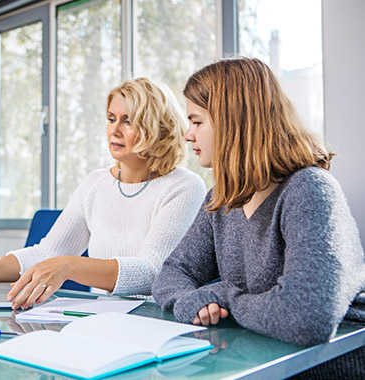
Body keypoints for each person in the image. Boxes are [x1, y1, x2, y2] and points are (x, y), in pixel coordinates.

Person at [152, 57, 365, 377]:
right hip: (257, 358)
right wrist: (189, 301)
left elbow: (306, 319)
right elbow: (172, 273)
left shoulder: (310, 190)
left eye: (196, 122)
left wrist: (225, 297)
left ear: (232, 121)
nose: (187, 135)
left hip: (325, 366)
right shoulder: (222, 200)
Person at [0, 77, 206, 310]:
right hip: (101, 320)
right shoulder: (95, 183)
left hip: (155, 322)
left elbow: (153, 272)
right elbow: (46, 255)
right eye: (111, 119)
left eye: (128, 121)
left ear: (157, 128)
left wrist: (69, 266)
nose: (114, 129)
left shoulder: (184, 186)